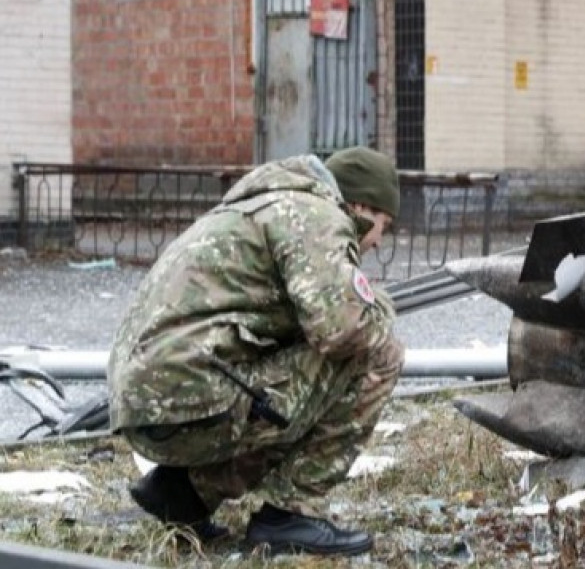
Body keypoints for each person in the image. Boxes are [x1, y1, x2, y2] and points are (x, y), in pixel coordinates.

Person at [107, 147, 405, 556]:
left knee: (297, 383)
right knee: (378, 350)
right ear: (361, 205)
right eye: (382, 225)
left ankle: (184, 492)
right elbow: (341, 331)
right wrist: (377, 307)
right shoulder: (316, 215)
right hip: (188, 400)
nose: (376, 241)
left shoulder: (266, 205)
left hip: (150, 403)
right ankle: (289, 514)